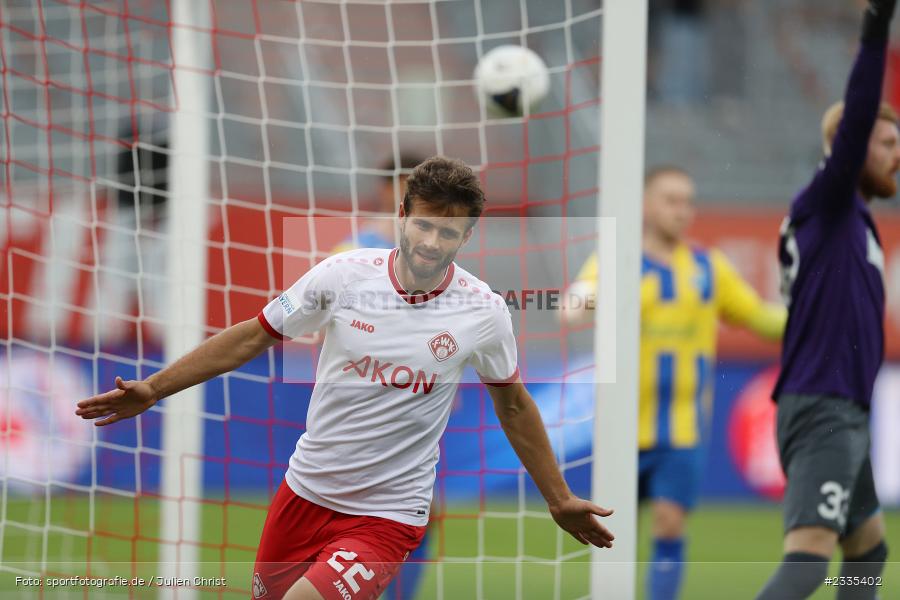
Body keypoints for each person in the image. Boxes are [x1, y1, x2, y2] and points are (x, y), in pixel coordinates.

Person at [76, 156, 615, 600]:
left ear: (467, 235)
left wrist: (558, 496)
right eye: (423, 224)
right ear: (402, 214)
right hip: (304, 490)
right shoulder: (343, 275)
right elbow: (251, 336)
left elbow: (514, 405)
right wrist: (154, 387)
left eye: (448, 232)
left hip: (387, 514)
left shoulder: (483, 312)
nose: (431, 241)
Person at [563, 166, 785, 600]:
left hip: (681, 428)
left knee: (669, 522)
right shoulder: (619, 259)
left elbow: (759, 316)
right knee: (612, 533)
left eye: (688, 201)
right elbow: (577, 297)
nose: (682, 210)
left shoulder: (709, 267)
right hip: (620, 430)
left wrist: (813, 319)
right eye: (671, 200)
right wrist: (580, 301)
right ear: (646, 204)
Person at [757, 1, 900, 599]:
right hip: (824, 407)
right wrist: (876, 25)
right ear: (853, 145)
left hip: (841, 407)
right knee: (809, 561)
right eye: (888, 141)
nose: (898, 154)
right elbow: (860, 105)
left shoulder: (848, 221)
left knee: (868, 547)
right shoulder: (832, 201)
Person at [330, 152, 429, 600]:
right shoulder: (351, 253)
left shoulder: (435, 258)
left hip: (414, 408)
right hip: (359, 408)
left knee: (420, 511)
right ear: (388, 192)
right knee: (355, 513)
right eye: (409, 189)